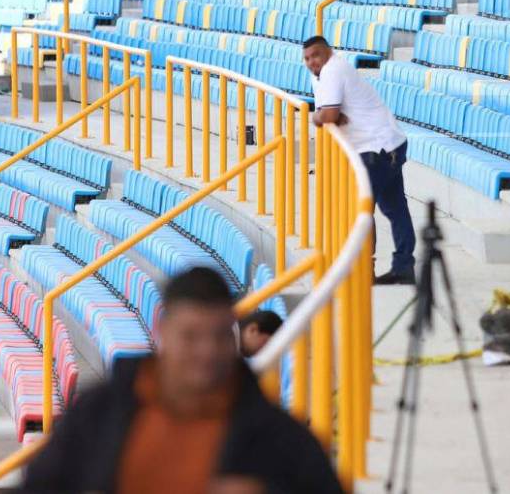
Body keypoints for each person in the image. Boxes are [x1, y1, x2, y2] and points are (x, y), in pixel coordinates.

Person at [22, 267, 343, 494]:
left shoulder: (277, 435)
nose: (207, 352)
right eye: (191, 337)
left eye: (219, 336)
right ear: (163, 331)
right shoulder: (100, 411)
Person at [303, 35, 415, 285]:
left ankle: (367, 268)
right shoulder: (321, 74)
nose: (312, 62)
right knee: (395, 208)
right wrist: (328, 115)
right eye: (307, 59)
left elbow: (329, 115)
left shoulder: (334, 69)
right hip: (386, 144)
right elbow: (332, 114)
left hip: (378, 149)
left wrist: (318, 117)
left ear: (328, 53)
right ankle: (403, 267)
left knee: (361, 210)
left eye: (316, 56)